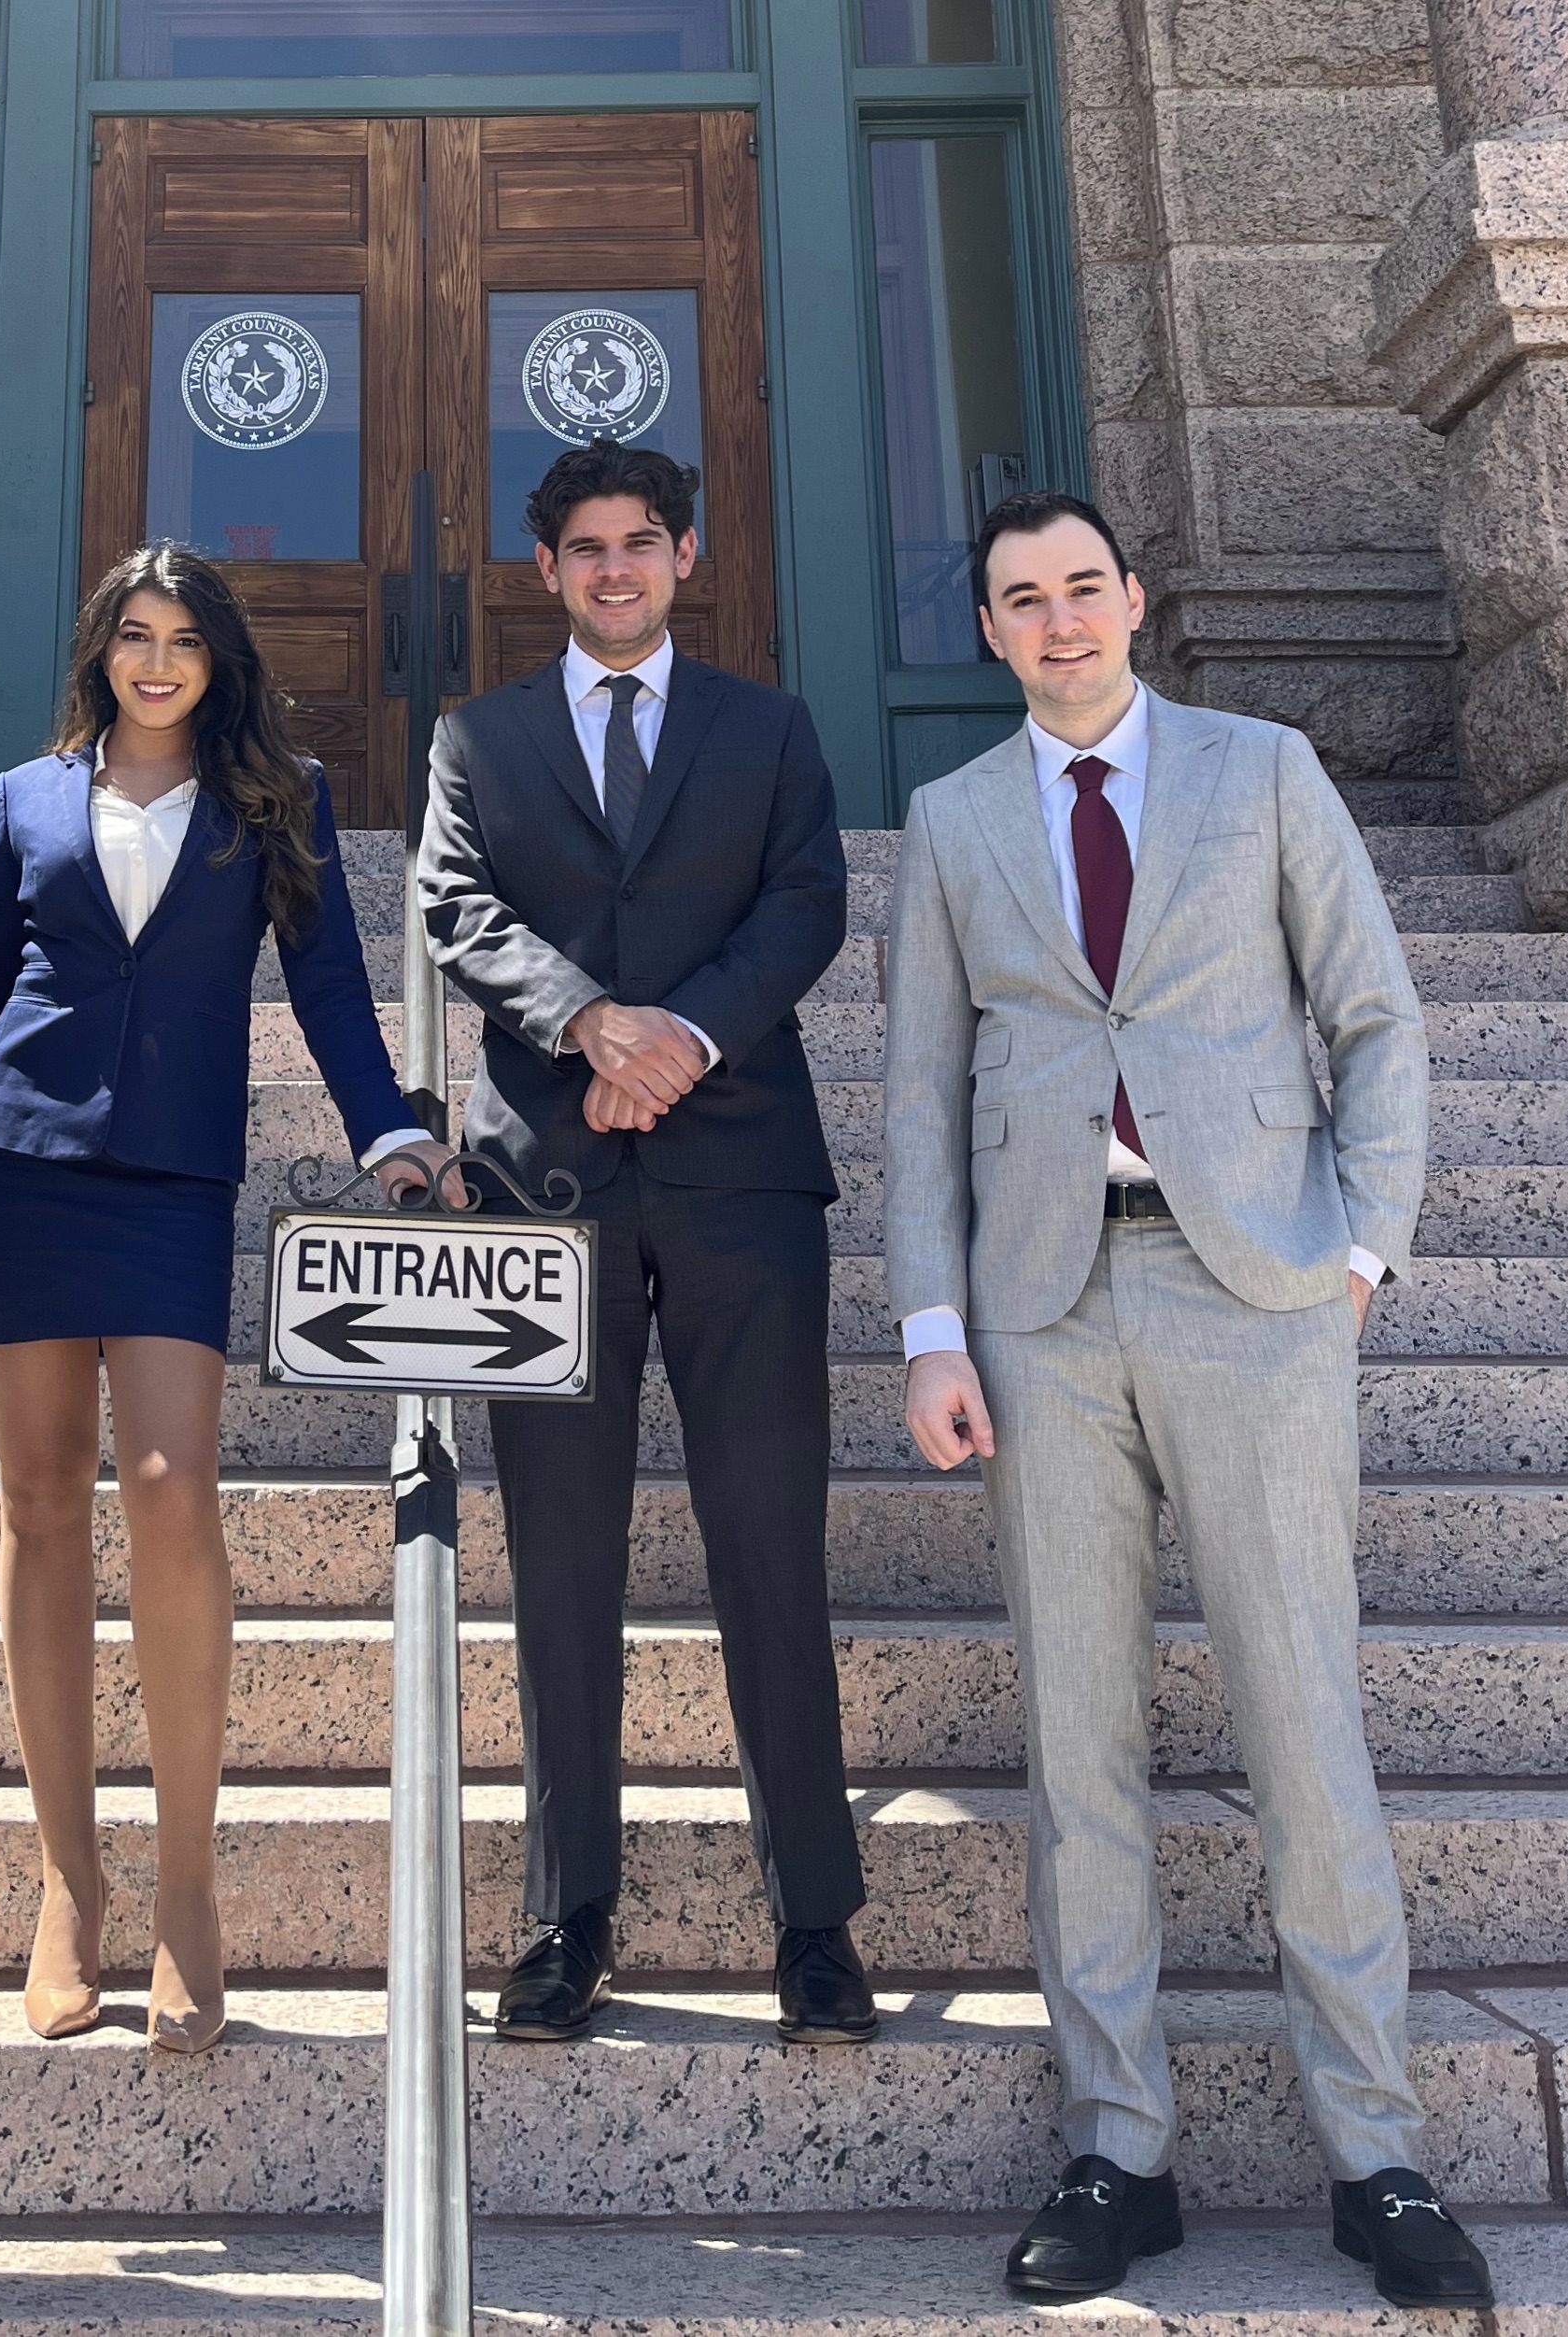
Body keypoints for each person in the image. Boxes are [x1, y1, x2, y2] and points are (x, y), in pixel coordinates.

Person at [883, 490, 1493, 2309]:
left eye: (1085, 588)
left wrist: (1360, 1255)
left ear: (1134, 602)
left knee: (1303, 1719)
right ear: (988, 632)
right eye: (1022, 600)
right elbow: (923, 1097)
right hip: (1046, 1315)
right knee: (1082, 1742)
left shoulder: (1265, 770)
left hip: (1258, 1295)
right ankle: (1116, 2148)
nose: (1060, 621)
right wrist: (932, 1328)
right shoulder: (955, 820)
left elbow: (1377, 1019)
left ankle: (1375, 2154)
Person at [0, 545, 455, 2057]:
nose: (156, 662)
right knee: (39, 1501)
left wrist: (386, 1125)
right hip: (20, 1162)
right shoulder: (24, 795)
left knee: (171, 1491)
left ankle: (187, 1885)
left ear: (219, 658)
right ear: (101, 649)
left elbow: (321, 980)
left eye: (182, 639)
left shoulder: (276, 793)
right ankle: (70, 1880)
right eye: (133, 635)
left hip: (176, 1176)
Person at [417, 439, 873, 2047]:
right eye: (583, 549)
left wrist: (679, 1035)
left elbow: (804, 904)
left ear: (686, 556)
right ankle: (565, 1914)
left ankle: (813, 1918)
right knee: (556, 1561)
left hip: (741, 1174)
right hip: (548, 1184)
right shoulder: (476, 736)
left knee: (769, 1546)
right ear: (543, 572)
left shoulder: (771, 729)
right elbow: (453, 907)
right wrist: (590, 1022)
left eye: (640, 543)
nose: (614, 569)